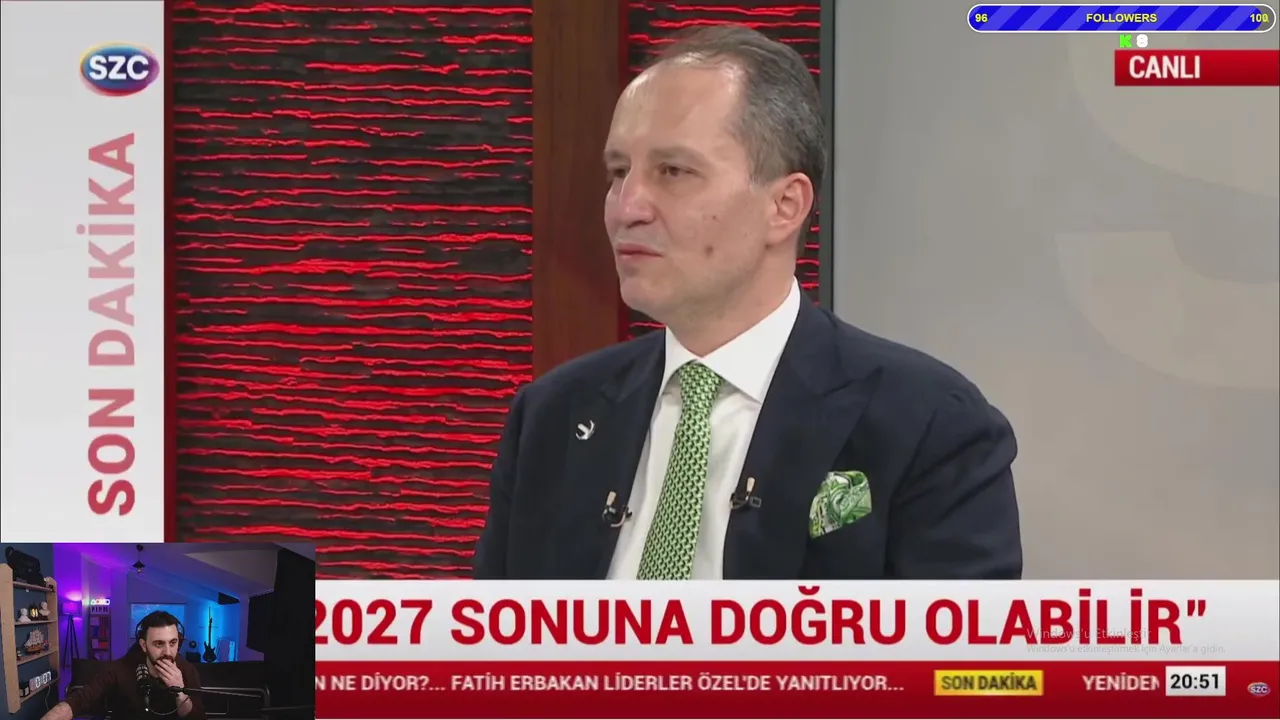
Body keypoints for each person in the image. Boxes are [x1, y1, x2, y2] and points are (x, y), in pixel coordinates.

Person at [473, 25, 1021, 580]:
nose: (626, 207)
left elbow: (954, 640)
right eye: (619, 172)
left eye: (673, 171)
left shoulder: (929, 427)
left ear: (784, 206)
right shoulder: (553, 416)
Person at [41, 611, 206, 720]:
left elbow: (197, 718)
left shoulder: (187, 670)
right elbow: (79, 701)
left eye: (173, 642)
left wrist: (180, 693)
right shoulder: (119, 669)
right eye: (158, 644)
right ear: (144, 645)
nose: (168, 652)